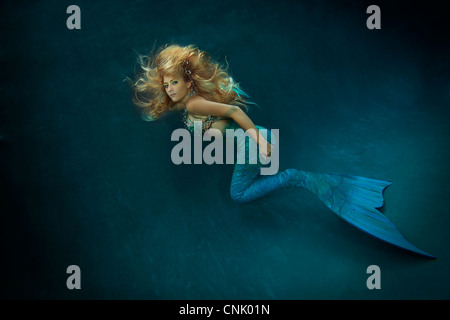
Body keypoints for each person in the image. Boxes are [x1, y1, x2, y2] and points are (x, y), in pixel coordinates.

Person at [129, 44, 434, 258]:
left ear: (188, 82)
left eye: (174, 83)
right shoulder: (183, 101)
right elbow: (179, 107)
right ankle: (298, 175)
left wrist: (260, 143)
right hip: (249, 143)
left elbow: (234, 111)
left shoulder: (195, 103)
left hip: (252, 145)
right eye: (166, 84)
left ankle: (296, 177)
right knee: (241, 185)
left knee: (237, 195)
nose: (169, 89)